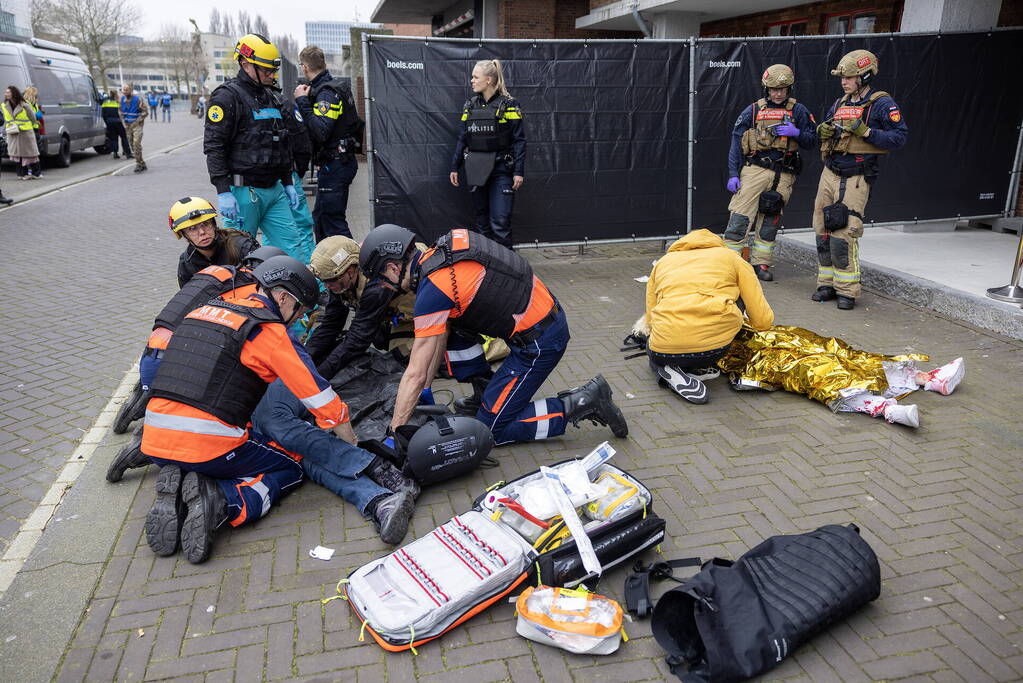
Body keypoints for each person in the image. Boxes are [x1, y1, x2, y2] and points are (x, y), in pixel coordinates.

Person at [140, 256, 347, 563]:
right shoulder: (267, 330)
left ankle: (185, 485)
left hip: (154, 439)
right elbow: (319, 398)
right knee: (288, 466)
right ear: (283, 297)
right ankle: (225, 501)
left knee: (233, 440)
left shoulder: (201, 311)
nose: (297, 319)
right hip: (207, 445)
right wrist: (347, 435)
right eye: (300, 310)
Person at [359, 225, 628, 446]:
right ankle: (487, 393)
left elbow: (414, 373)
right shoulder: (446, 248)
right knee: (453, 332)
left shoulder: (433, 291)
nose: (384, 287)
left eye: (381, 279)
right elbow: (437, 340)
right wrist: (426, 390)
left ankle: (581, 403)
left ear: (393, 268)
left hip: (539, 344)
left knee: (491, 431)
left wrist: (395, 434)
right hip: (542, 317)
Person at [251, 379, 417, 544]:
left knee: (272, 420)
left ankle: (376, 466)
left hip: (269, 386)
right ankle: (381, 502)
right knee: (302, 458)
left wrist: (350, 440)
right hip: (250, 425)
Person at [718, 326, 965, 428]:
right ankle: (882, 408)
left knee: (835, 350)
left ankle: (925, 379)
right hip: (745, 349)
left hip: (754, 336)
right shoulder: (730, 266)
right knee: (812, 368)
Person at [812, 49, 908, 310]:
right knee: (822, 228)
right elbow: (828, 129)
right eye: (843, 77)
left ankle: (847, 290)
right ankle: (826, 284)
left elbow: (899, 138)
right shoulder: (840, 102)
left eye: (850, 77)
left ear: (864, 76)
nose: (844, 82)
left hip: (855, 176)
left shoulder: (882, 104)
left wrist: (865, 131)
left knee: (844, 231)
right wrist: (822, 131)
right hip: (829, 172)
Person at [204, 33, 313, 264]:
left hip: (274, 190)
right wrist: (223, 191)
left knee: (293, 249)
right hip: (243, 192)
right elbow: (214, 147)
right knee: (238, 255)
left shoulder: (271, 97)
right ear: (245, 64)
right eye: (266, 71)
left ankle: (299, 298)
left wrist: (288, 183)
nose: (272, 75)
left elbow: (281, 144)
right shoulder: (226, 98)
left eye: (273, 70)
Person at [634, 228, 774, 404]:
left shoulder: (663, 262)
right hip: (715, 351)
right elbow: (761, 316)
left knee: (652, 346)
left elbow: (651, 315)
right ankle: (696, 366)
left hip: (666, 349)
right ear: (716, 242)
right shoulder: (731, 257)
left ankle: (671, 372)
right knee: (735, 300)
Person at [723, 64, 816, 282]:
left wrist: (797, 133)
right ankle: (730, 265)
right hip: (754, 170)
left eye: (782, 89)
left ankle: (761, 264)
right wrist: (732, 173)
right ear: (766, 88)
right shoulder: (754, 110)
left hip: (784, 174)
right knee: (739, 217)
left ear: (789, 88)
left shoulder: (799, 111)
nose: (777, 93)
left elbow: (813, 141)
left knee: (770, 220)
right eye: (773, 89)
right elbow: (736, 140)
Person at [306, 236, 419, 380]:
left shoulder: (378, 282)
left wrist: (319, 376)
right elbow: (331, 324)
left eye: (331, 281)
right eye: (324, 281)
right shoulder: (339, 277)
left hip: (425, 316)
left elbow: (358, 338)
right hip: (391, 313)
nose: (327, 286)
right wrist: (305, 358)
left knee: (399, 361)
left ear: (351, 270)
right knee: (378, 337)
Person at [449, 60, 525, 249]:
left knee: (500, 223)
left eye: (475, 77)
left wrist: (518, 171)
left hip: (501, 171)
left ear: (489, 80)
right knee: (482, 223)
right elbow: (463, 137)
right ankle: (487, 268)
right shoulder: (470, 105)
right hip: (476, 170)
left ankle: (506, 270)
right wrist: (454, 166)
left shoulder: (509, 105)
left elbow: (519, 140)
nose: (471, 81)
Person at [293, 45, 363, 241]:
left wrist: (302, 102)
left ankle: (354, 266)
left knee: (333, 222)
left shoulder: (326, 93)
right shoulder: (326, 88)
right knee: (321, 219)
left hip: (336, 164)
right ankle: (328, 267)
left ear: (305, 67)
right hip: (332, 163)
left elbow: (321, 131)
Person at [172, 196, 261, 287]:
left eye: (206, 224)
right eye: (192, 229)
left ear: (214, 224)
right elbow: (187, 297)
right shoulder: (187, 262)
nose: (202, 232)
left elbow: (265, 284)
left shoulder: (242, 245)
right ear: (183, 234)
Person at [2, 86, 40, 180]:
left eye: (8, 92)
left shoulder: (24, 104)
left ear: (13, 93)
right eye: (5, 92)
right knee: (16, 154)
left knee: (29, 153)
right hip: (12, 132)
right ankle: (21, 174)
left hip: (25, 132)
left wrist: (30, 125)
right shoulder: (3, 105)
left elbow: (33, 117)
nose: (5, 94)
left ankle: (35, 173)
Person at [121, 83, 148, 173]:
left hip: (137, 125)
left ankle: (138, 164)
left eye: (126, 90)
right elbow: (120, 112)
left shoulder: (137, 99)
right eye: (123, 90)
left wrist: (138, 121)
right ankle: (141, 162)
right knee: (133, 145)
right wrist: (124, 123)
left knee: (136, 143)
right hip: (128, 126)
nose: (124, 92)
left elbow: (145, 112)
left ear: (131, 90)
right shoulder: (121, 99)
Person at [101, 89, 131, 159]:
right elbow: (124, 112)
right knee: (123, 137)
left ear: (109, 93)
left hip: (110, 122)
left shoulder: (105, 102)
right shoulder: (119, 101)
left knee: (114, 138)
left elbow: (103, 114)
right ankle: (127, 153)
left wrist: (107, 122)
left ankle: (115, 153)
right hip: (119, 122)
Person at [22, 86, 42, 178]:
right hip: (29, 130)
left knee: (35, 151)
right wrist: (37, 115)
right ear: (32, 94)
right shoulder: (27, 104)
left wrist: (38, 115)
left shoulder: (34, 104)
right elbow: (34, 115)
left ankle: (35, 171)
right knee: (32, 152)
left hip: (35, 129)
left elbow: (38, 114)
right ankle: (34, 172)